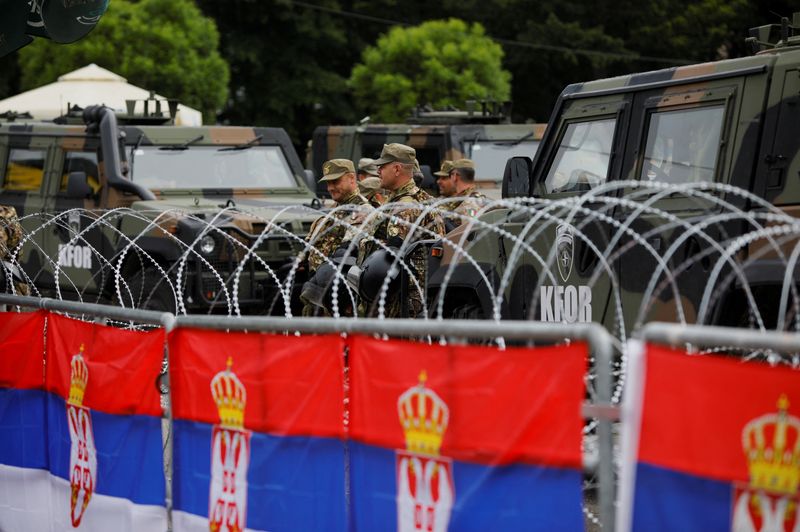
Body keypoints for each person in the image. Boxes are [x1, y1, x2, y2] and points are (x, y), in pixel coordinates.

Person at [357, 143, 445, 318]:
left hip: (401, 302)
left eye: (382, 166)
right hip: (404, 296)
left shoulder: (405, 206)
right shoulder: (412, 199)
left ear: (397, 169)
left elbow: (390, 255)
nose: (378, 171)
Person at [300, 159, 371, 316]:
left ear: (352, 179)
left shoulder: (361, 209)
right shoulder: (335, 209)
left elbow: (345, 253)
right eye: (328, 183)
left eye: (335, 181)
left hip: (338, 294)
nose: (330, 188)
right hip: (319, 290)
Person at [435, 158, 487, 230]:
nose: (438, 181)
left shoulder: (470, 203)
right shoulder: (463, 199)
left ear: (455, 176)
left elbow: (469, 235)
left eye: (450, 175)